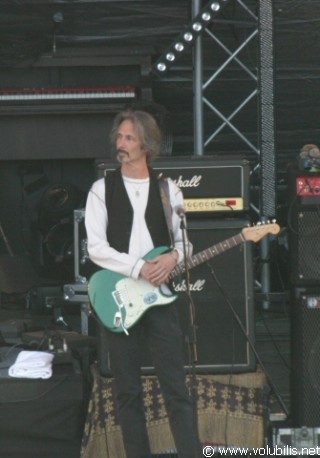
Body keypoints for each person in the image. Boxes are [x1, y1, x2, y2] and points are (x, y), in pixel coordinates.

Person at [85, 109, 200, 458]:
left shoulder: (169, 190)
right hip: (119, 297)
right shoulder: (101, 189)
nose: (120, 144)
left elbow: (184, 243)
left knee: (176, 388)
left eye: (129, 138)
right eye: (119, 137)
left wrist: (173, 258)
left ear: (148, 145)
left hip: (160, 300)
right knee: (127, 392)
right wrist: (138, 267)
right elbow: (96, 248)